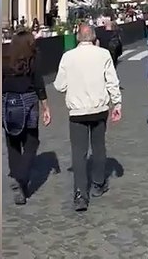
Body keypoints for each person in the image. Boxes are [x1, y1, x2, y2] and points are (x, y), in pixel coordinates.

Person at [52, 24, 122, 211]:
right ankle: (98, 183)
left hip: (77, 112)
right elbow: (112, 81)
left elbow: (59, 85)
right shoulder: (103, 54)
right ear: (93, 37)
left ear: (78, 37)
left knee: (79, 152)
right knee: (99, 147)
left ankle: (81, 194)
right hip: (99, 109)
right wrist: (117, 103)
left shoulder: (68, 57)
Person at [3, 30, 51, 205]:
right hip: (28, 101)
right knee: (31, 141)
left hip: (7, 102)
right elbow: (39, 84)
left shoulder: (5, 59)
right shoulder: (33, 58)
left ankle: (18, 183)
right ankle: (21, 177)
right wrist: (45, 106)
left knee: (12, 142)